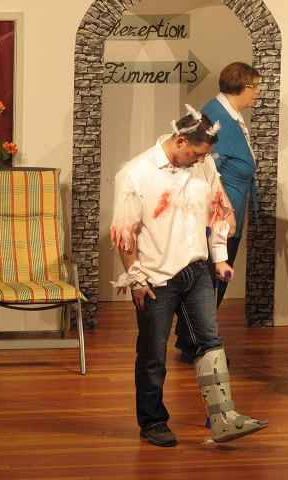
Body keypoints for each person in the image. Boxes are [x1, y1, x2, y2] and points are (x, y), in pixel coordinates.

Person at [110, 105, 269, 447]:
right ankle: (153, 422)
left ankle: (224, 418)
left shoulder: (204, 164)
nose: (201, 160)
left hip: (197, 270)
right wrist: (136, 278)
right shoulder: (137, 174)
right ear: (181, 141)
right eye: (197, 154)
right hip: (156, 277)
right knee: (153, 354)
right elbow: (125, 233)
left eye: (205, 155)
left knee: (210, 342)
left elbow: (218, 212)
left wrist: (220, 259)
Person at [174, 61, 261, 364]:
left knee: (216, 275)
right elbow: (207, 168)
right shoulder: (215, 117)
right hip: (217, 215)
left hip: (228, 211)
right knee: (211, 278)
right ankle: (196, 344)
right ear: (240, 86)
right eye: (254, 86)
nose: (257, 92)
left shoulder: (230, 115)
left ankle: (193, 340)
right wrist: (223, 209)